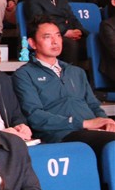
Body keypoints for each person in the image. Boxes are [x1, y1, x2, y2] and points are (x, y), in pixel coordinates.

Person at [13, 17, 115, 158]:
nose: (55, 41)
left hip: (92, 131)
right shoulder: (24, 74)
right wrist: (83, 123)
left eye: (58, 36)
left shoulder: (76, 71)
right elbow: (35, 116)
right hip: (62, 134)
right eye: (47, 37)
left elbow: (93, 105)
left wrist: (106, 122)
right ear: (32, 43)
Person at [24, 0, 86, 64]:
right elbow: (40, 21)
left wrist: (79, 30)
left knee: (93, 40)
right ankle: (69, 73)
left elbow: (72, 18)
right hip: (50, 35)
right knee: (70, 44)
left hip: (69, 33)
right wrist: (65, 32)